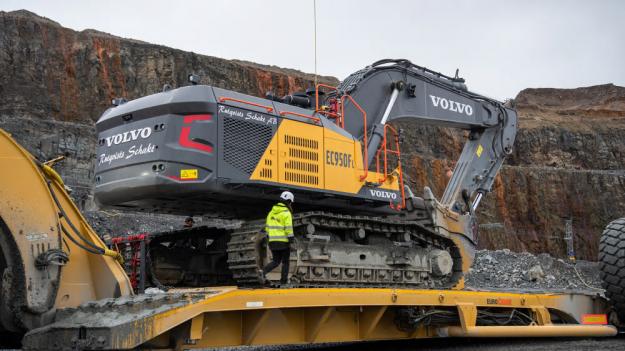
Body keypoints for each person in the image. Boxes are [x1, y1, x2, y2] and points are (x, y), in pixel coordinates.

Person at [262, 191, 295, 285]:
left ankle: (263, 272)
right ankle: (283, 282)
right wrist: (291, 239)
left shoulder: (271, 212)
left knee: (276, 261)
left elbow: (267, 227)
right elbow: (288, 227)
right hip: (283, 242)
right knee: (285, 262)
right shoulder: (286, 213)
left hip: (272, 241)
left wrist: (270, 238)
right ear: (289, 201)